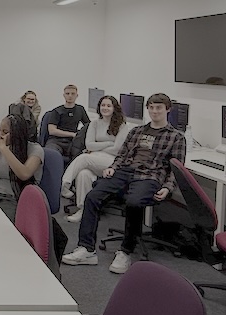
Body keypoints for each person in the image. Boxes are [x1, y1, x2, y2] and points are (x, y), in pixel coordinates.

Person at [61, 93, 186, 274]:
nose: (154, 111)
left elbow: (176, 168)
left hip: (150, 176)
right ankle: (86, 249)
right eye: (151, 107)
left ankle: (126, 251)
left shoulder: (176, 137)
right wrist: (113, 167)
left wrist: (168, 187)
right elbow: (122, 155)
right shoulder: (137, 131)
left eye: (159, 107)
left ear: (168, 110)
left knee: (134, 202)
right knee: (93, 196)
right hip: (125, 172)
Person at [62, 95, 130, 223]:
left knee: (84, 158)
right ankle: (84, 210)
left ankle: (65, 184)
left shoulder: (122, 125)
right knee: (83, 174)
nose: (105, 108)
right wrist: (108, 144)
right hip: (94, 158)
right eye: (103, 105)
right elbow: (88, 145)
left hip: (112, 162)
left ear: (114, 108)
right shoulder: (94, 123)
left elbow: (117, 150)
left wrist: (96, 148)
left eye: (108, 105)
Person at [0, 114, 44, 214]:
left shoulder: (35, 149)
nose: (0, 134)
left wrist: (4, 149)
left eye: (5, 132)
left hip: (16, 198)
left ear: (17, 133)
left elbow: (24, 174)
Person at [45, 85, 91, 158]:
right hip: (56, 141)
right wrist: (72, 134)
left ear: (77, 95)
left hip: (73, 142)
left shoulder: (80, 109)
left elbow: (89, 126)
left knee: (83, 156)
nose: (70, 96)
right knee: (51, 154)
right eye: (67, 94)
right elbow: (52, 130)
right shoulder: (56, 111)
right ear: (64, 95)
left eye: (73, 94)